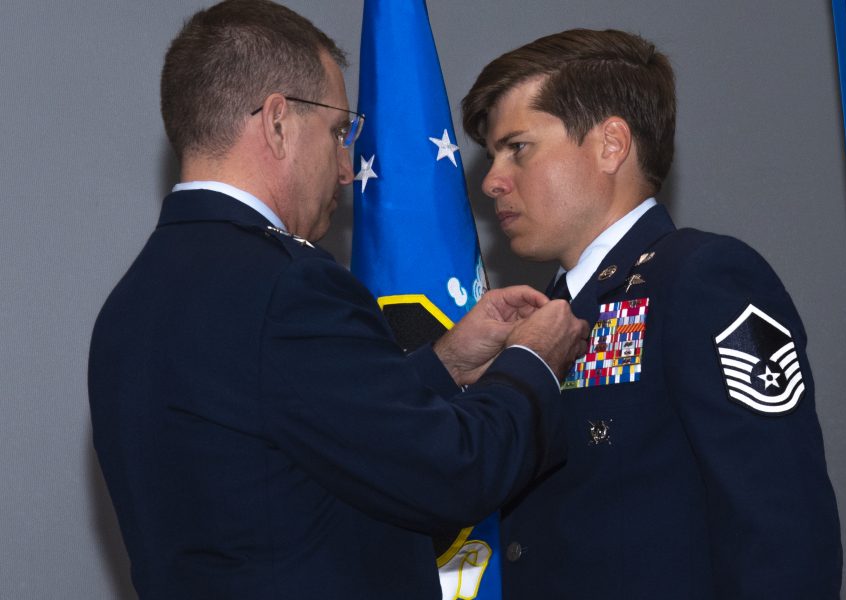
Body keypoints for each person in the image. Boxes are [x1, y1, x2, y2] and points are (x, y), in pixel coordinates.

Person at [87, 2, 589, 598]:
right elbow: (453, 472)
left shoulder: (130, 302)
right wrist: (531, 361)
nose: (348, 168)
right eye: (337, 131)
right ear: (277, 122)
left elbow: (307, 430)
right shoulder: (288, 286)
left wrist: (448, 362)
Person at [462, 28, 842, 598]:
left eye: (518, 148)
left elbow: (781, 525)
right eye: (494, 154)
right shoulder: (539, 319)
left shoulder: (702, 278)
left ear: (611, 144)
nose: (493, 179)